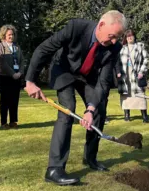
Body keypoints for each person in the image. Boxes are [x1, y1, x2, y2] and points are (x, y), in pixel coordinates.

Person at [24, 10, 126, 185]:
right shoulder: (76, 27)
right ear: (101, 25)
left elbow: (103, 82)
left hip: (88, 77)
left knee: (99, 110)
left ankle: (90, 158)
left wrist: (90, 109)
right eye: (112, 36)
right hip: (63, 70)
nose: (114, 41)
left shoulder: (114, 47)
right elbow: (44, 49)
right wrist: (30, 81)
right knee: (67, 109)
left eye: (117, 37)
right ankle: (54, 169)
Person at [116, 29, 149, 123]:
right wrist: (118, 72)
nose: (130, 37)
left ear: (134, 36)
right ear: (125, 38)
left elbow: (146, 59)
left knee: (140, 95)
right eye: (128, 36)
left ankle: (144, 116)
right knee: (125, 95)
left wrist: (142, 72)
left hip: (137, 74)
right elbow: (117, 61)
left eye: (131, 35)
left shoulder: (140, 46)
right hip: (125, 75)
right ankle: (127, 115)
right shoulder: (122, 48)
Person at [0, 25, 24, 129]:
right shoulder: (0, 47)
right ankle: (3, 123)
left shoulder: (17, 47)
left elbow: (22, 61)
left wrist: (20, 73)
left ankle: (13, 121)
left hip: (17, 78)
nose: (11, 36)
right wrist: (13, 74)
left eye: (12, 34)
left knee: (14, 100)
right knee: (4, 101)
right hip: (4, 77)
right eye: (9, 35)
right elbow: (2, 63)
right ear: (4, 35)